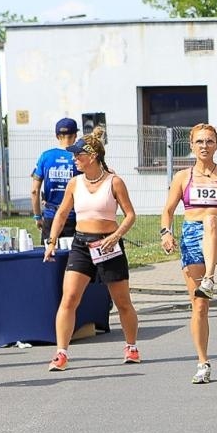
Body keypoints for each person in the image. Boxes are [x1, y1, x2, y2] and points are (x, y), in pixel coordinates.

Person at [159, 123, 217, 384]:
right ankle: (203, 362)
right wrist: (166, 233)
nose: (204, 146)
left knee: (211, 219)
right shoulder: (182, 177)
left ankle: (210, 278)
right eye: (199, 142)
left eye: (209, 141)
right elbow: (167, 210)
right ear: (191, 145)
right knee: (199, 306)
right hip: (191, 235)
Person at [43, 128, 141, 371]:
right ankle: (61, 353)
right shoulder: (75, 183)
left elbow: (130, 215)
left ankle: (131, 346)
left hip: (108, 243)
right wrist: (52, 240)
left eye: (78, 155)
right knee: (69, 298)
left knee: (122, 301)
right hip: (81, 244)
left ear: (93, 156)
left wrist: (116, 236)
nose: (74, 159)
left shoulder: (114, 182)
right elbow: (62, 213)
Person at [31, 117, 79, 244]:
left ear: (57, 136)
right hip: (73, 217)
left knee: (49, 256)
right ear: (75, 135)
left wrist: (37, 216)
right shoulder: (79, 157)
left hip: (50, 216)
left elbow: (34, 191)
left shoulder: (45, 156)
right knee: (71, 258)